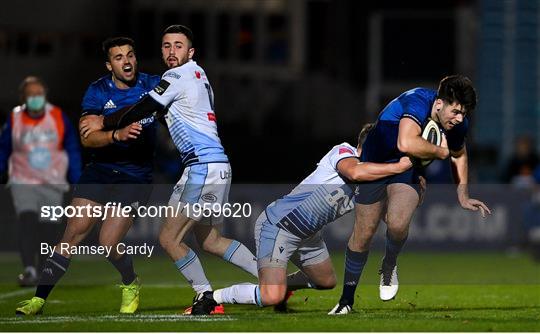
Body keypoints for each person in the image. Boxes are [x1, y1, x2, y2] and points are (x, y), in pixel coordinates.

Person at [82, 25, 259, 314]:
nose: (171, 51)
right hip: (213, 166)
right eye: (166, 46)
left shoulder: (176, 76)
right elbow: (172, 116)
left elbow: (143, 107)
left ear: (190, 52)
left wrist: (104, 121)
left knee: (169, 238)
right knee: (211, 241)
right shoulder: (200, 77)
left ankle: (206, 298)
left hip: (202, 168)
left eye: (178, 46)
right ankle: (271, 278)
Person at [187, 124, 420, 314]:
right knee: (272, 296)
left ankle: (280, 283)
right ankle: (212, 297)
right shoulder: (344, 151)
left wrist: (415, 189)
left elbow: (392, 219)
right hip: (279, 226)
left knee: (326, 281)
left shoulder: (375, 181)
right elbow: (355, 172)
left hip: (308, 236)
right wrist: (398, 167)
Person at [15, 37, 160, 315]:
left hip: (135, 176)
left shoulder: (152, 86)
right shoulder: (96, 91)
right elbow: (88, 139)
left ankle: (130, 281)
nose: (126, 61)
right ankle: (39, 300)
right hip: (100, 171)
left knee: (108, 244)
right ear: (109, 65)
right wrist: (115, 134)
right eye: (118, 58)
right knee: (71, 234)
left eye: (130, 55)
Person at [328, 75, 492, 315]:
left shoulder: (457, 124)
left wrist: (463, 195)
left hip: (408, 169)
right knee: (363, 234)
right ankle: (346, 301)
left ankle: (389, 264)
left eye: (464, 113)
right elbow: (406, 142)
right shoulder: (416, 101)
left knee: (397, 223)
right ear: (439, 104)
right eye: (456, 111)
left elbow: (459, 153)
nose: (460, 118)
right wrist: (440, 151)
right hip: (373, 165)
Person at [0, 76, 81, 287]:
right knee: (27, 221)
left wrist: (76, 178)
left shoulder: (57, 116)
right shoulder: (15, 118)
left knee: (49, 229)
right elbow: (4, 148)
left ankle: (44, 270)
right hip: (23, 180)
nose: (36, 98)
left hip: (53, 183)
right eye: (31, 94)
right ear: (23, 97)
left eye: (39, 93)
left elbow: (71, 148)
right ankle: (29, 269)